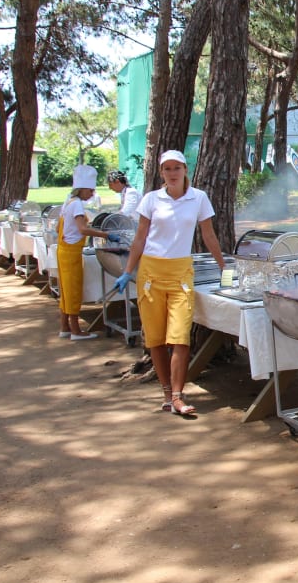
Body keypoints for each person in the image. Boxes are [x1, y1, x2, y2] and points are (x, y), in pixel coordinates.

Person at [112, 150, 226, 416]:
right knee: (156, 339)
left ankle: (177, 395)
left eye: (177, 168)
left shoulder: (198, 198)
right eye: (167, 169)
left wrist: (223, 266)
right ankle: (166, 394)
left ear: (186, 169)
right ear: (161, 172)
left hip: (180, 274)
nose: (172, 173)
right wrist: (128, 271)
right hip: (151, 273)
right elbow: (140, 237)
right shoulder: (152, 199)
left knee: (180, 337)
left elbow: (209, 235)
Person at [57, 164, 121, 340]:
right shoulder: (76, 204)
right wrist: (105, 234)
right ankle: (76, 330)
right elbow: (83, 229)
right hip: (71, 253)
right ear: (83, 188)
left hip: (63, 250)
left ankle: (64, 326)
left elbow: (59, 228)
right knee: (73, 290)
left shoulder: (68, 202)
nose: (92, 194)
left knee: (65, 289)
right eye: (91, 191)